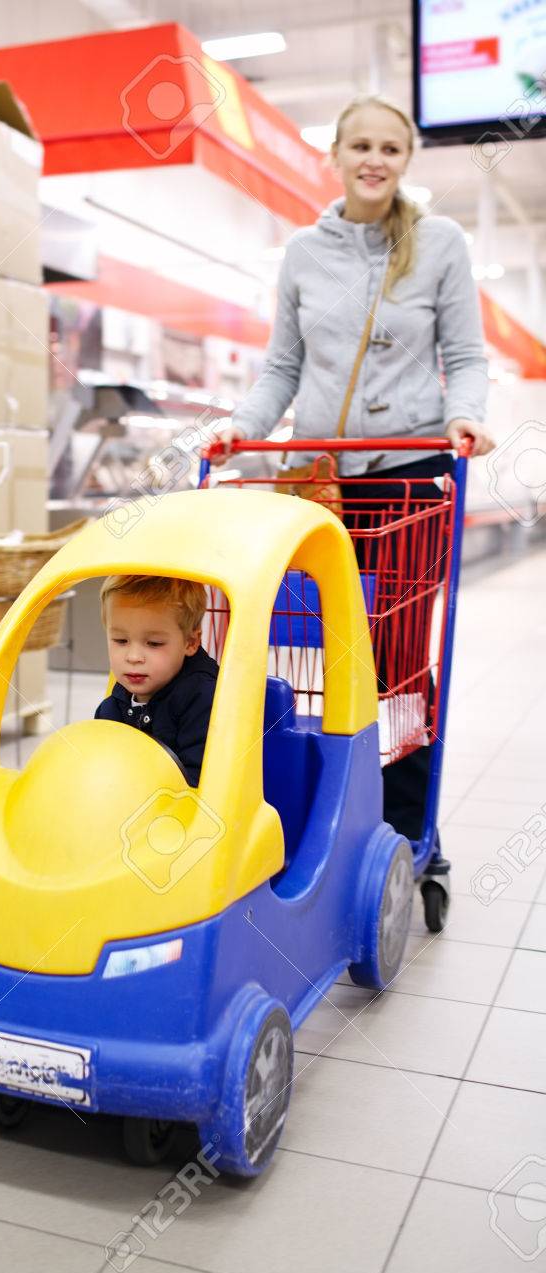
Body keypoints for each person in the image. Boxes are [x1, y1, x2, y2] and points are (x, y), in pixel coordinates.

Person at [224, 93, 494, 860]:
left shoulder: (439, 243)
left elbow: (465, 355)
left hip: (410, 477)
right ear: (336, 155)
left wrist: (464, 415)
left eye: (390, 148)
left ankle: (405, 828)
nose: (375, 160)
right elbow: (282, 368)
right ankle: (314, 809)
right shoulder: (304, 253)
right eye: (361, 146)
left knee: (399, 659)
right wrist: (239, 426)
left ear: (405, 161)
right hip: (323, 483)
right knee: (312, 654)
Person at [95, 575, 218, 786]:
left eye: (153, 643)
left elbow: (201, 782)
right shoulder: (112, 707)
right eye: (121, 641)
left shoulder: (204, 699)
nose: (133, 657)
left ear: (190, 642)